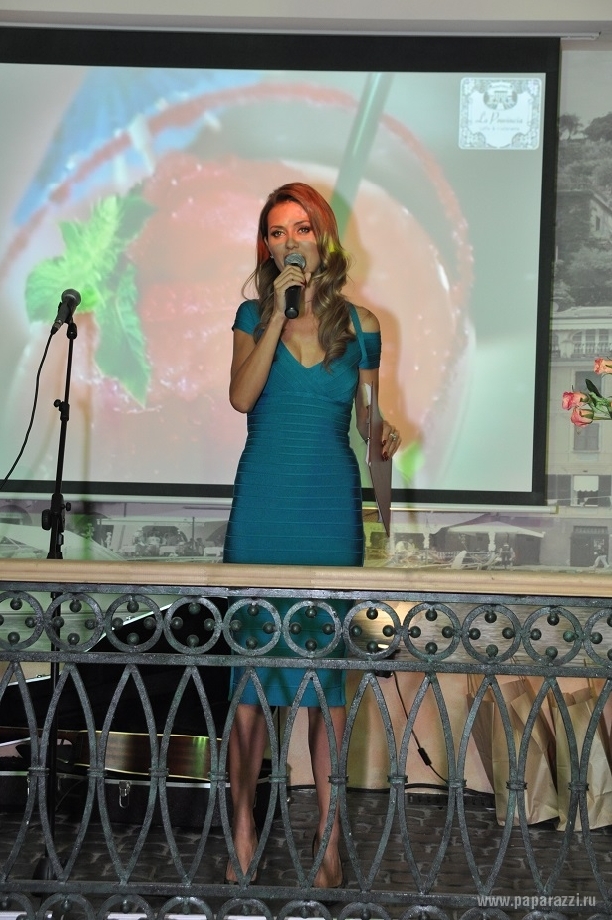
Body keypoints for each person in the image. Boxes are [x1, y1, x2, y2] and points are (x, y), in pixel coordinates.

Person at [222, 182, 401, 889]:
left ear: (322, 237)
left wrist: (383, 429)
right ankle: (242, 831)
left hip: (328, 509)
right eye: (276, 232)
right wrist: (276, 314)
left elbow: (368, 416)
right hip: (264, 507)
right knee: (249, 685)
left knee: (326, 687)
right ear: (266, 247)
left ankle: (328, 846)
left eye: (300, 229)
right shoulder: (250, 314)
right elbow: (241, 396)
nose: (288, 242)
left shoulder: (363, 326)